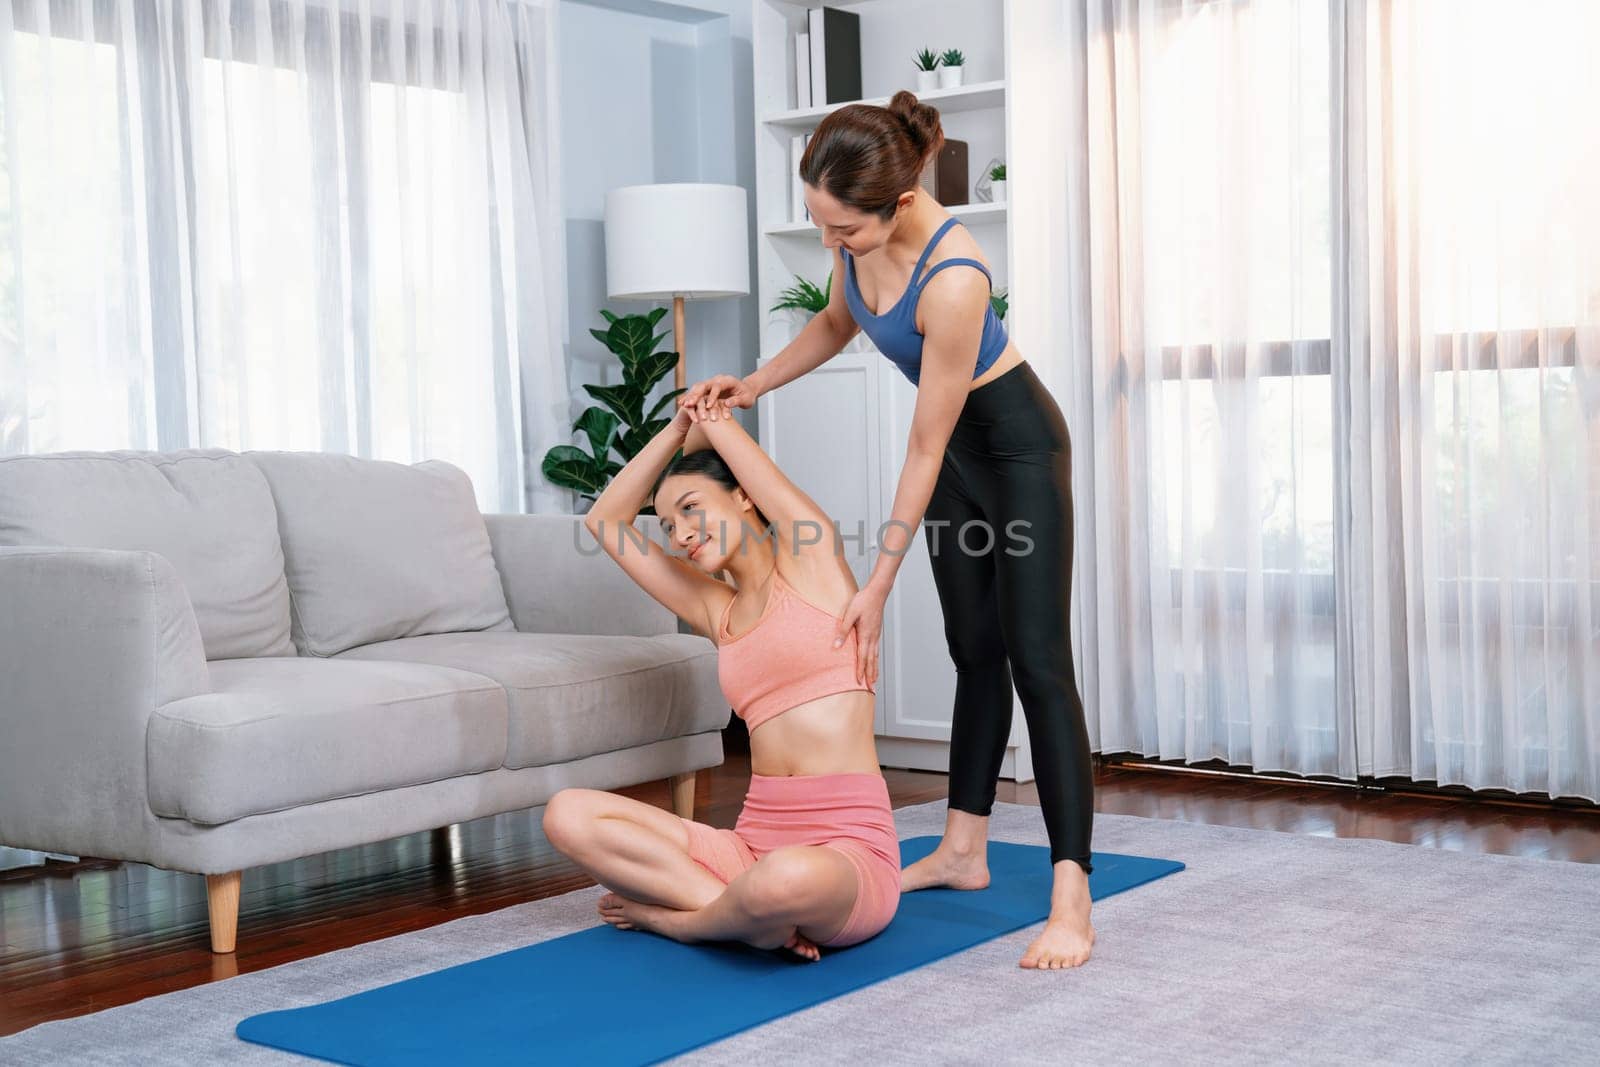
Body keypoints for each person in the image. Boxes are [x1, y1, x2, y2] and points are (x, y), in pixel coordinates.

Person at [680, 91, 1096, 969]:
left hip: (1015, 453)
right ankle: (962, 848)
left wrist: (875, 582)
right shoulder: (854, 227)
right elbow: (838, 322)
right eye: (821, 226)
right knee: (972, 648)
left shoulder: (955, 277)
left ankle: (1072, 893)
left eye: (847, 233)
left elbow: (923, 441)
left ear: (900, 203)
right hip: (956, 463)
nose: (834, 244)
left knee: (1037, 658)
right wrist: (752, 385)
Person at [541, 395, 900, 960]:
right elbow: (604, 522)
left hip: (845, 850)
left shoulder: (813, 565)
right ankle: (744, 916)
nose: (679, 533)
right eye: (667, 523)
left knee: (786, 879)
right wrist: (676, 426)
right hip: (749, 846)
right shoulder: (717, 610)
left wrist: (707, 412)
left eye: (691, 508)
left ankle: (685, 922)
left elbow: (744, 454)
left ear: (743, 497)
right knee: (567, 814)